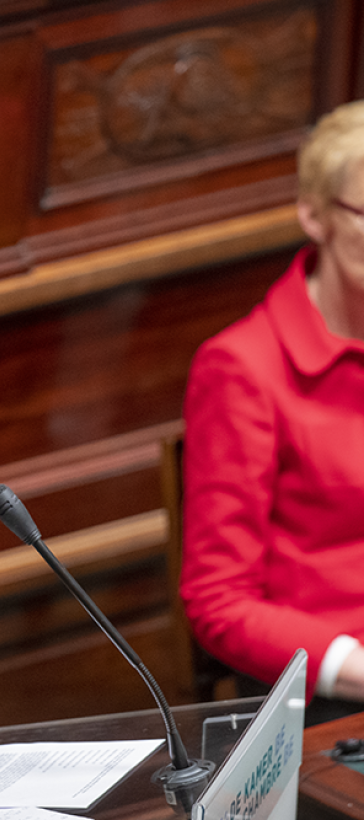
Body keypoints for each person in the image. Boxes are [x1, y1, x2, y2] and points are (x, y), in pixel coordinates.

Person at [180, 100, 364, 725]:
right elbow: (219, 604)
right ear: (315, 215)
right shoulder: (242, 368)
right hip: (330, 697)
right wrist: (351, 666)